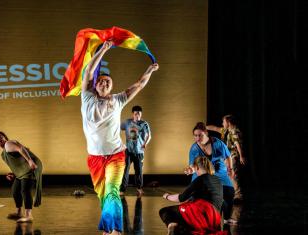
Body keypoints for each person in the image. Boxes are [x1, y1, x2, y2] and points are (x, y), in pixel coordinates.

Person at [81, 40, 159, 235]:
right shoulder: (87, 96)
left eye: (108, 81)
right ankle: (108, 229)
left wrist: (149, 70)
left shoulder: (118, 99)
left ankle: (115, 230)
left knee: (112, 192)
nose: (104, 82)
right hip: (95, 157)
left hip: (116, 154)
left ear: (111, 86)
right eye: (101, 81)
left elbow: (139, 85)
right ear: (95, 85)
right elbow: (90, 70)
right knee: (102, 195)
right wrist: (104, 49)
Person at [159, 156, 225, 235]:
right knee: (186, 207)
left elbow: (181, 198)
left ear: (197, 168)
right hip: (215, 219)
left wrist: (167, 196)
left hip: (203, 214)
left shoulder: (200, 179)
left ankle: (172, 227)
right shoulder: (217, 180)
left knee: (165, 211)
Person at [184, 122, 235, 223]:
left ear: (206, 133)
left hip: (219, 173)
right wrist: (190, 170)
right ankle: (199, 217)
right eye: (195, 136)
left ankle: (227, 218)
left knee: (229, 192)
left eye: (200, 135)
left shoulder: (217, 143)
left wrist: (230, 169)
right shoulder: (194, 148)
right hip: (202, 175)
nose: (197, 138)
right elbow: (193, 165)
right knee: (196, 195)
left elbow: (228, 156)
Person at [0, 131, 42, 223]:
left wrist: (30, 161)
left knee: (25, 190)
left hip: (30, 168)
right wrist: (13, 174)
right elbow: (17, 164)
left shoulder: (8, 144)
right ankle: (19, 212)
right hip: (22, 172)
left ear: (5, 138)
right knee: (15, 190)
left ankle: (28, 215)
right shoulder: (3, 154)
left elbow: (21, 148)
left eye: (0, 137)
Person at [207, 114, 245, 200]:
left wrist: (241, 156)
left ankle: (238, 196)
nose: (222, 123)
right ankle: (228, 193)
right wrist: (203, 127)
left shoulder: (234, 131)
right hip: (227, 156)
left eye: (223, 121)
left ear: (228, 122)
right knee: (226, 174)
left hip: (233, 156)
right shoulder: (225, 130)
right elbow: (215, 128)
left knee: (233, 175)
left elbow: (237, 144)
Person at [120, 105, 151, 197]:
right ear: (132, 114)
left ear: (141, 114)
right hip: (128, 151)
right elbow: (119, 128)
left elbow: (149, 136)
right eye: (135, 113)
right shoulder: (127, 122)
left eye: (139, 114)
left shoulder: (144, 124)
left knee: (139, 171)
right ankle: (122, 189)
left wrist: (145, 143)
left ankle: (139, 188)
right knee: (125, 170)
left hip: (139, 151)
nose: (137, 115)